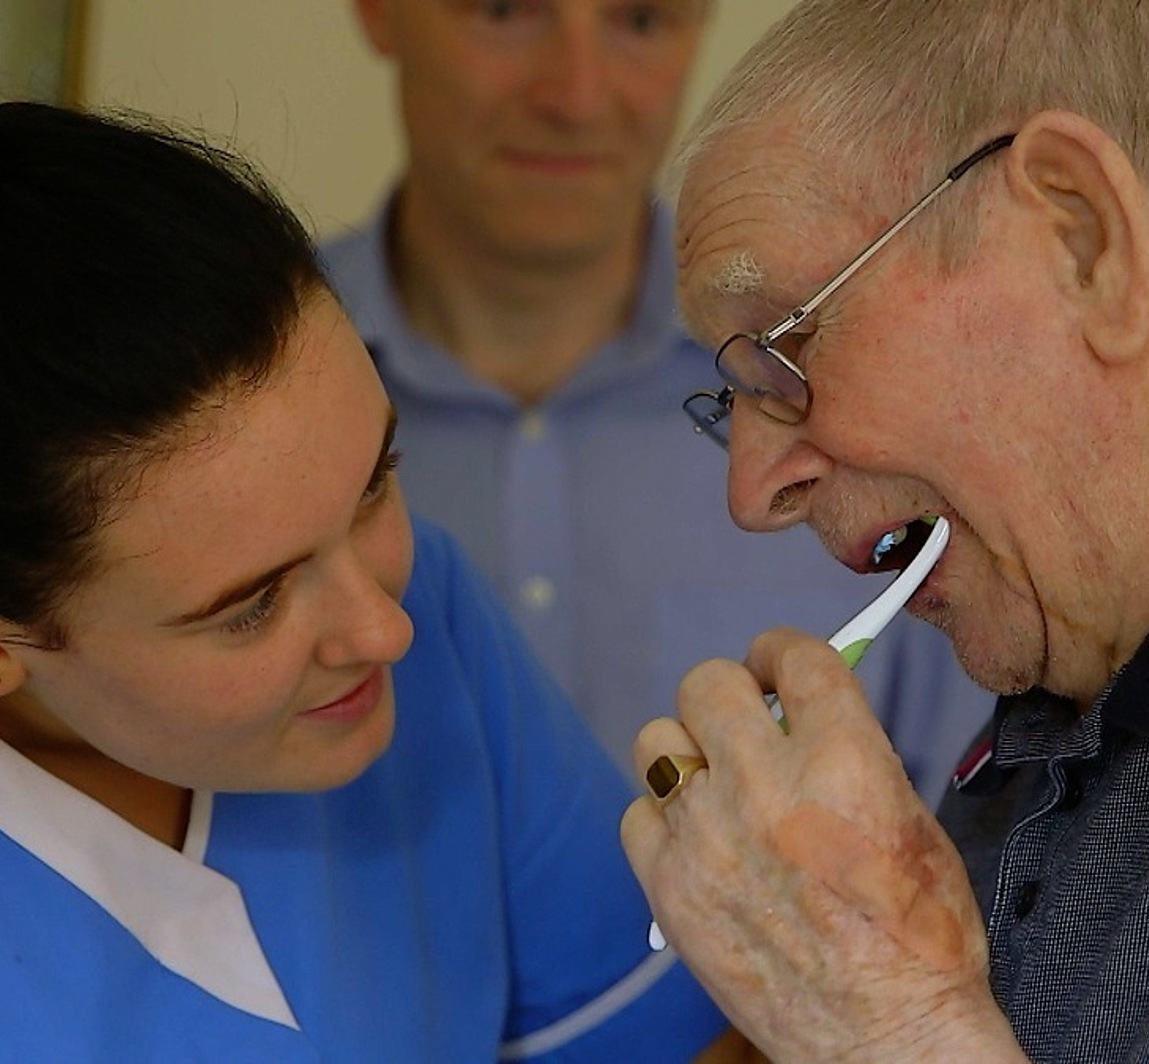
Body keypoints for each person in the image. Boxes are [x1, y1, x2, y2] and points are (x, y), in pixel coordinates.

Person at [0, 101, 741, 1062]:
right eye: (253, 606)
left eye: (372, 488)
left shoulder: (420, 613)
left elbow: (663, 1043)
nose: (384, 628)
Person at [620, 0, 1149, 1060]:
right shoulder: (1039, 733)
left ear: (1081, 233)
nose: (753, 492)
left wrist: (885, 1022)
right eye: (732, 398)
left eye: (785, 346)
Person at [321, 0, 993, 797]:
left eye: (640, 21)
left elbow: (978, 851)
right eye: (505, 12)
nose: (576, 96)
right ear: (378, 13)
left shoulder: (872, 400)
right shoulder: (227, 398)